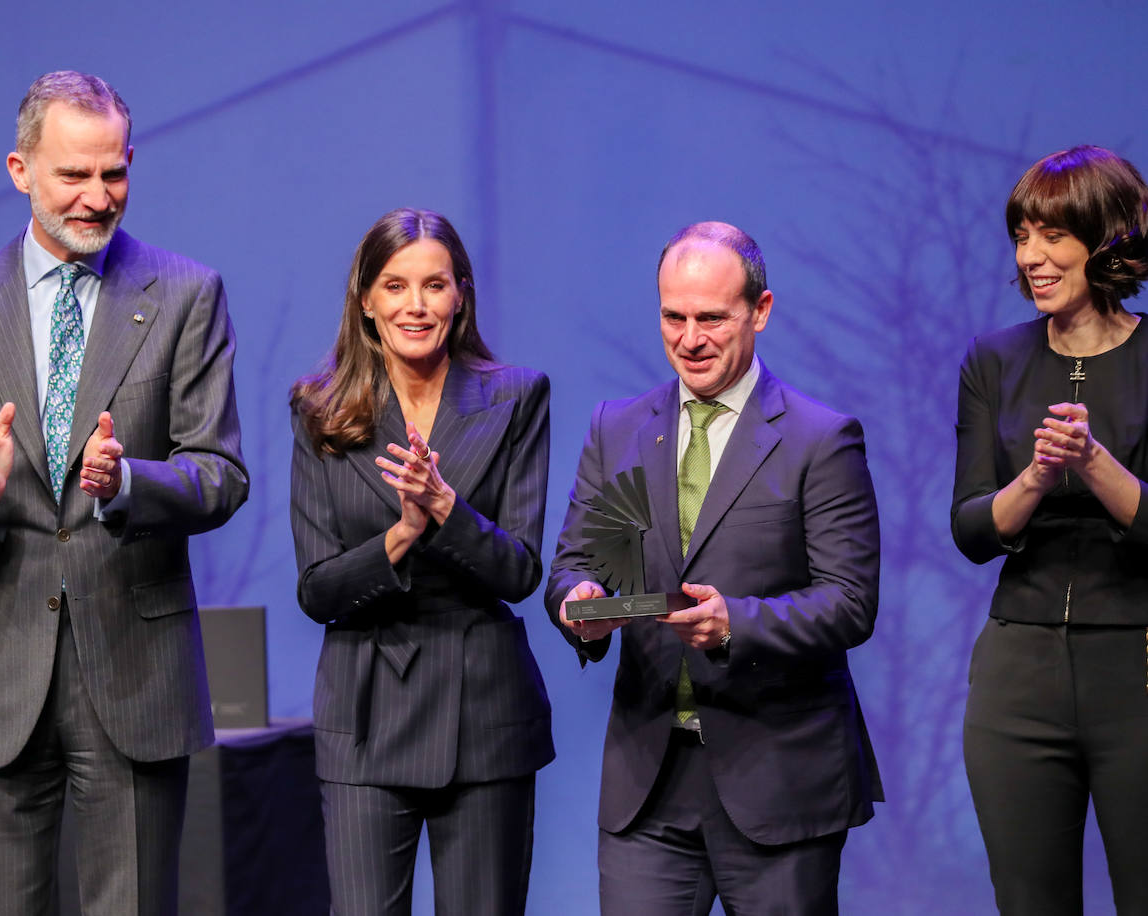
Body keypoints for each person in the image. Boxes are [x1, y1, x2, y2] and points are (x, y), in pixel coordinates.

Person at [0, 71, 248, 915]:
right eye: (73, 175)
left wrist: (128, 485)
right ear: (19, 170)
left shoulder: (186, 295)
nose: (96, 197)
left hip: (135, 676)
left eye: (112, 173)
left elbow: (219, 476)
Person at [547, 221, 883, 915]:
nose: (689, 338)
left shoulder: (821, 439)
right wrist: (579, 603)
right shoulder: (618, 427)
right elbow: (576, 562)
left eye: (711, 318)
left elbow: (851, 602)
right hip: (649, 780)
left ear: (759, 312)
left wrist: (739, 622)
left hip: (778, 778)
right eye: (673, 316)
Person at [289, 208, 554, 915]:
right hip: (365, 713)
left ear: (461, 294)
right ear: (366, 299)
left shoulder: (516, 397)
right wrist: (400, 536)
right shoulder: (320, 410)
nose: (416, 305)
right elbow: (317, 590)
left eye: (434, 285)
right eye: (395, 285)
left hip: (484, 713)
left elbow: (521, 571)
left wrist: (446, 510)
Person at [952, 145, 1148, 914]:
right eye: (1021, 236)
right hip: (1018, 675)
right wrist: (1035, 476)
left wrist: (1093, 463)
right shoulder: (993, 360)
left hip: (1134, 667)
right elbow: (970, 527)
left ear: (1105, 241)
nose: (1031, 257)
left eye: (1052, 237)